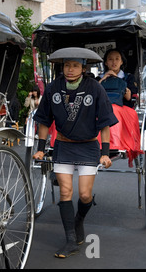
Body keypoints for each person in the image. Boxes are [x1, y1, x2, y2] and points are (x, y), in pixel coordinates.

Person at [33, 47, 118, 259]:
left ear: (83, 67)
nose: (70, 69)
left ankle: (79, 218)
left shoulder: (94, 88)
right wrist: (41, 150)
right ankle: (71, 240)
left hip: (89, 146)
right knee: (65, 192)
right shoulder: (53, 88)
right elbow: (44, 120)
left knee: (85, 194)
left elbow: (105, 123)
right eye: (67, 65)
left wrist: (105, 152)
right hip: (63, 146)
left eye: (75, 65)